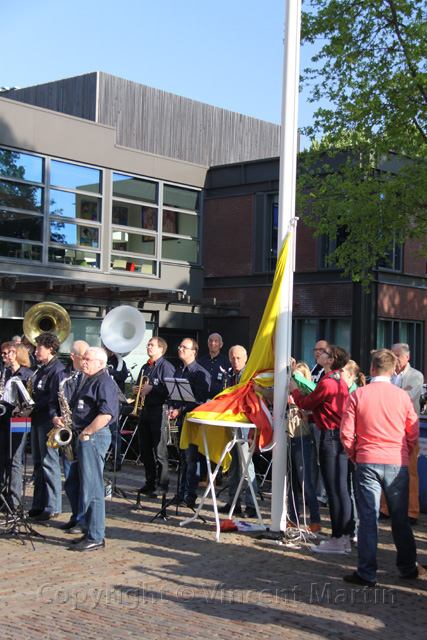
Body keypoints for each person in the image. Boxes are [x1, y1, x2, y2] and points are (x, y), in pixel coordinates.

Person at [340, 349, 424, 586]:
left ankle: (367, 572)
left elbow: (346, 432)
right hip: (396, 460)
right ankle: (407, 566)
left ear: (372, 368)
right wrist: (405, 452)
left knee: (368, 518)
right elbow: (413, 430)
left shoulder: (359, 395)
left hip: (367, 458)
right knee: (400, 518)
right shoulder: (402, 397)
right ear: (394, 370)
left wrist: (354, 454)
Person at [289, 345, 352, 554]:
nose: (320, 354)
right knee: (341, 489)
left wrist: (294, 391)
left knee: (334, 490)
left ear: (331, 360)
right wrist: (314, 417)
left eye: (324, 353)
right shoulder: (340, 380)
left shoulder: (327, 381)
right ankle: (344, 536)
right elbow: (332, 409)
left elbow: (308, 402)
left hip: (331, 438)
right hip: (339, 436)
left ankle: (337, 538)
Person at [69, 346, 119, 551]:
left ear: (100, 362)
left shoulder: (104, 382)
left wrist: (87, 432)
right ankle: (90, 532)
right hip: (85, 435)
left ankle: (96, 536)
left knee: (94, 488)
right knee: (82, 485)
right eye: (83, 358)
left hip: (93, 436)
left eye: (88, 359)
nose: (84, 362)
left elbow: (106, 414)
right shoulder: (88, 379)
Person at [380, 343, 424, 525]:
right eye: (393, 354)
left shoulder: (416, 376)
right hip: (388, 429)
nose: (395, 358)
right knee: (384, 470)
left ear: (408, 357)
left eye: (398, 355)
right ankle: (385, 509)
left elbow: (407, 397)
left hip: (406, 429)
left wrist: (387, 393)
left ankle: (412, 511)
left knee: (411, 471)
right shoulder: (388, 375)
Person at [25, 332, 65, 521]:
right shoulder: (40, 369)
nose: (35, 351)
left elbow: (53, 398)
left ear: (50, 349)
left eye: (38, 348)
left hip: (48, 421)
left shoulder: (57, 370)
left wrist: (34, 407)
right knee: (38, 464)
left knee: (49, 463)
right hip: (37, 419)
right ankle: (38, 504)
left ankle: (53, 505)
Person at [50, 340, 89, 534]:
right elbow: (52, 401)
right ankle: (75, 516)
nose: (86, 360)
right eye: (83, 356)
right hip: (67, 432)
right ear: (73, 357)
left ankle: (83, 518)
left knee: (83, 479)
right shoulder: (61, 376)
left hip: (82, 433)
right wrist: (55, 416)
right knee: (71, 480)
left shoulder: (90, 376)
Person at [167, 338, 210, 508]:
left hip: (191, 420)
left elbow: (200, 400)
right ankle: (180, 492)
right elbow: (172, 393)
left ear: (194, 351)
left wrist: (181, 410)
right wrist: (171, 406)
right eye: (180, 346)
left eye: (184, 347)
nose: (180, 349)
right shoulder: (179, 371)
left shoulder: (200, 373)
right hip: (179, 418)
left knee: (191, 458)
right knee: (182, 458)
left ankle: (189, 495)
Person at [218, 345, 258, 518]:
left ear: (246, 358)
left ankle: (252, 505)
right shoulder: (230, 376)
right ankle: (233, 503)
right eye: (233, 358)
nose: (235, 361)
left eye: (239, 358)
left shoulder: (248, 376)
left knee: (246, 467)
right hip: (233, 425)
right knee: (234, 467)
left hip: (245, 427)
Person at [133, 337, 174, 497]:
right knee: (145, 449)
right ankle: (149, 482)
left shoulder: (166, 367)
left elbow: (169, 389)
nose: (148, 347)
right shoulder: (145, 367)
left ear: (161, 349)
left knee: (159, 450)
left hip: (159, 410)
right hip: (145, 410)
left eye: (152, 345)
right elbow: (142, 385)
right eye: (148, 345)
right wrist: (138, 390)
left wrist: (153, 388)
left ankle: (162, 485)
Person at [287, 362, 322, 534]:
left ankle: (315, 520)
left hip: (302, 438)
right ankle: (293, 519)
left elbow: (312, 397)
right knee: (291, 483)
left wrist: (296, 387)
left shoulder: (308, 393)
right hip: (288, 438)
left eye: (299, 377)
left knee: (305, 482)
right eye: (294, 377)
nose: (296, 381)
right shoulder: (287, 392)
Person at [0, 344, 32, 510]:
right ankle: (2, 496)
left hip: (20, 420)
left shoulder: (27, 374)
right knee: (2, 457)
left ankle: (14, 500)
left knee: (15, 459)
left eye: (12, 352)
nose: (8, 355)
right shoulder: (5, 372)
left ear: (19, 355)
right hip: (4, 418)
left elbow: (30, 400)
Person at [340, 359, 366, 543]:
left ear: (350, 375)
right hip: (349, 447)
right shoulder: (344, 391)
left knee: (357, 491)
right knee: (348, 489)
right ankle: (351, 528)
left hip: (355, 448)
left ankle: (358, 531)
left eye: (340, 372)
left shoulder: (356, 393)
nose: (337, 376)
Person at [105, 347, 129, 471]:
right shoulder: (101, 358)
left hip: (114, 400)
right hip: (102, 399)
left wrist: (110, 372)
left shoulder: (119, 362)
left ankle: (116, 461)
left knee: (114, 431)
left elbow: (123, 376)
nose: (104, 347)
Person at [198, 333, 230, 398]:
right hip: (203, 400)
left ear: (221, 345)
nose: (213, 343)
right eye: (210, 341)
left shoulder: (226, 361)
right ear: (208, 344)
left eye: (216, 341)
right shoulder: (201, 361)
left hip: (219, 400)